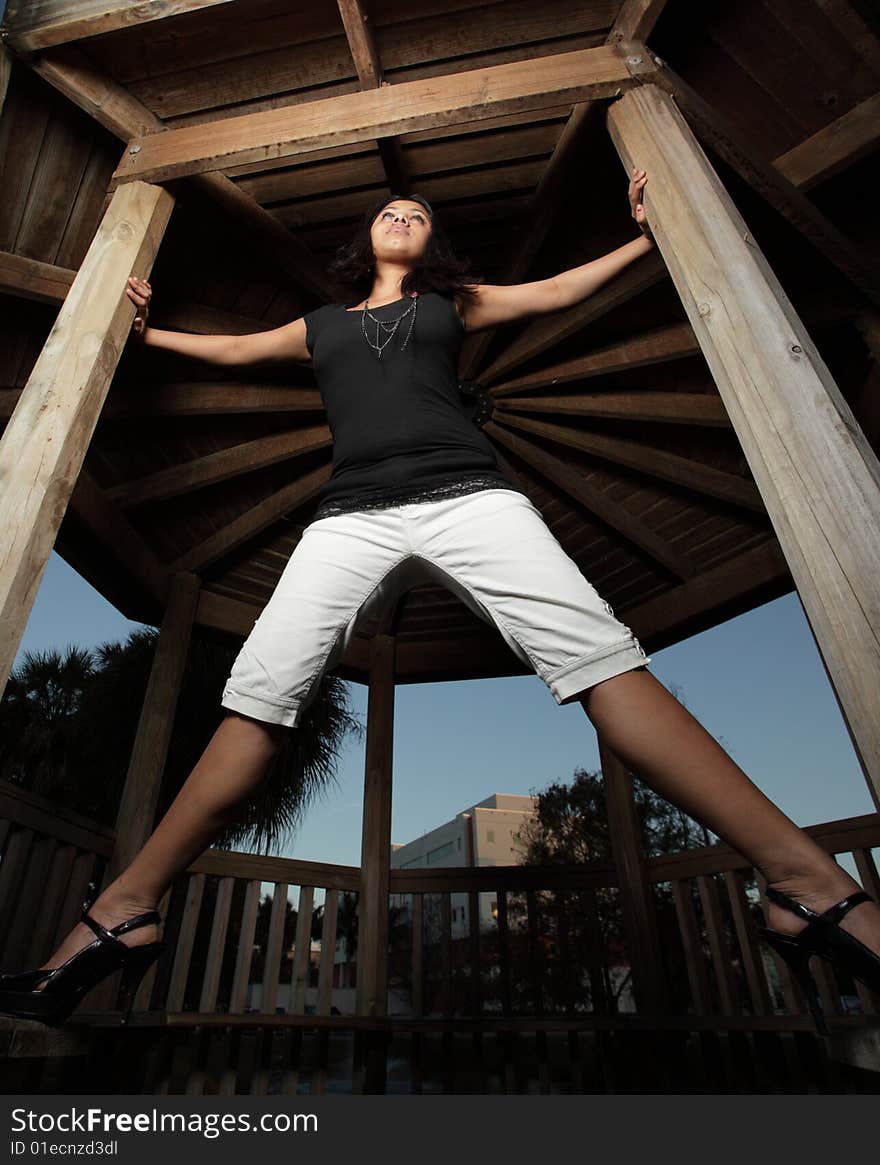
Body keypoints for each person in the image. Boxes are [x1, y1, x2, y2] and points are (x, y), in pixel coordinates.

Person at [2, 170, 877, 1032]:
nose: (402, 215)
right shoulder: (320, 326)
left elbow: (559, 290)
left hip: (471, 497)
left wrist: (647, 235)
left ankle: (804, 881)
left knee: (607, 662)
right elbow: (232, 350)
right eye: (390, 209)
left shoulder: (453, 304)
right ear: (366, 239)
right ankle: (126, 906)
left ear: (431, 244)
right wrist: (144, 332)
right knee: (256, 701)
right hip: (348, 517)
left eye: (417, 213)